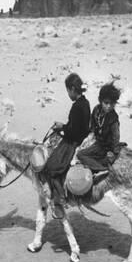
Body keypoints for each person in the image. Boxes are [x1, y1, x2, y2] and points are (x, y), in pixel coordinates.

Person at [41, 73, 90, 219]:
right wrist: (63, 126)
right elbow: (76, 126)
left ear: (73, 90)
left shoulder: (76, 106)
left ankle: (60, 199)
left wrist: (62, 130)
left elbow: (73, 131)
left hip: (74, 141)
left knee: (52, 166)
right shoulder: (85, 102)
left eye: (68, 91)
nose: (68, 94)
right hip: (80, 137)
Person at [76, 82, 122, 179]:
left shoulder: (113, 118)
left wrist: (114, 152)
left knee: (81, 155)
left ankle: (101, 169)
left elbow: (116, 136)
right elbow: (92, 126)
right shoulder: (96, 110)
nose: (109, 106)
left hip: (105, 146)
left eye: (112, 104)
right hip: (97, 142)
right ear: (100, 101)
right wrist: (90, 137)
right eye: (106, 103)